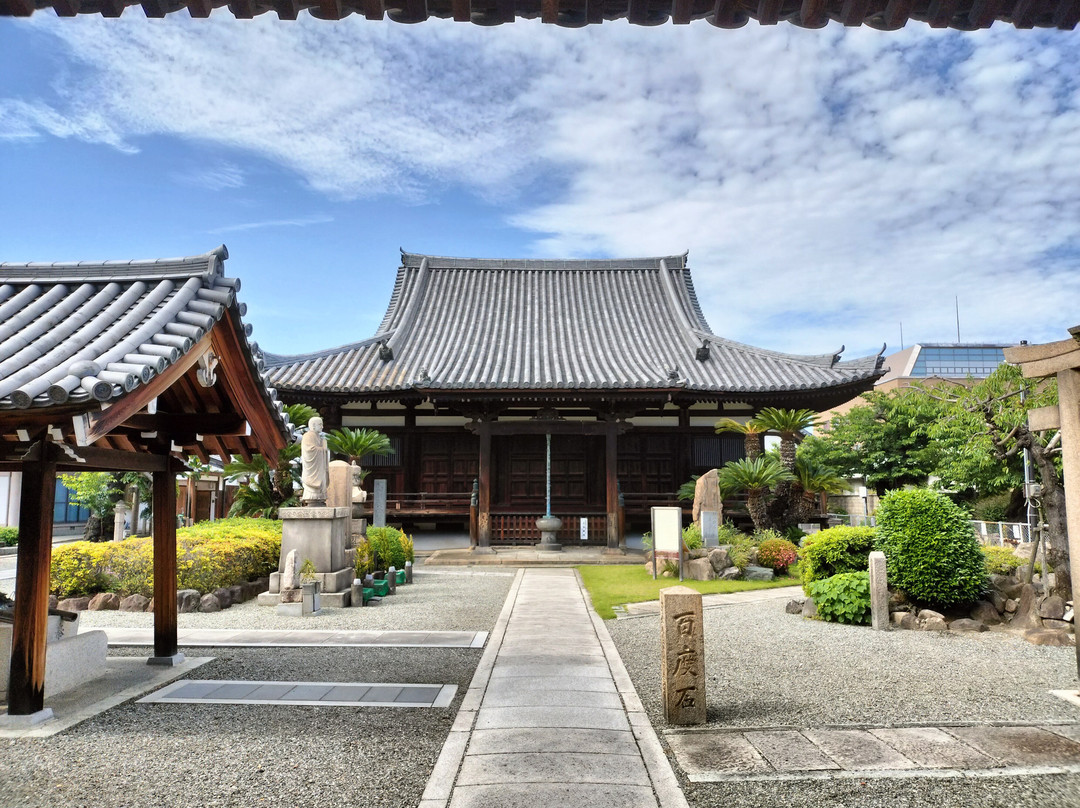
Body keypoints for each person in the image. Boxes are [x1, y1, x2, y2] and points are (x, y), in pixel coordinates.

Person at [300, 416, 329, 505]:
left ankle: (320, 496)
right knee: (312, 492)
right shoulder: (307, 436)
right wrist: (323, 449)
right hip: (313, 471)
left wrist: (323, 447)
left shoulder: (319, 437)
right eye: (320, 424)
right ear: (313, 425)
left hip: (319, 469)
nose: (322, 427)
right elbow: (309, 450)